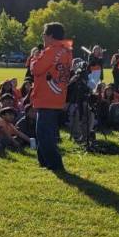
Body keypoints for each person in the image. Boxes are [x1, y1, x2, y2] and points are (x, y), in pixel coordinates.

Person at [29, 22, 73, 172]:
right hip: (57, 96)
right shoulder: (66, 51)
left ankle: (55, 165)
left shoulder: (52, 51)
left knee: (44, 134)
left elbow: (36, 69)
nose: (42, 36)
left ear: (50, 36)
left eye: (44, 33)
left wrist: (35, 58)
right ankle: (44, 163)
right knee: (45, 132)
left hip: (47, 97)